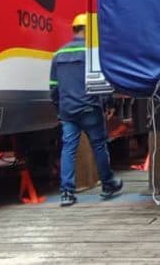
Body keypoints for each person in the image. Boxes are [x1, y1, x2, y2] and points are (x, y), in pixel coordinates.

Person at [49, 13, 123, 206]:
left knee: (68, 149)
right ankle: (108, 184)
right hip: (90, 108)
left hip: (68, 111)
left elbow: (53, 86)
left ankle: (67, 193)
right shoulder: (93, 52)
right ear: (89, 30)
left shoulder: (58, 54)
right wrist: (109, 104)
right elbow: (101, 83)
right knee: (99, 145)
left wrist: (59, 108)